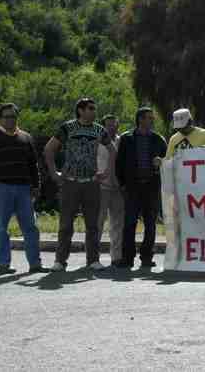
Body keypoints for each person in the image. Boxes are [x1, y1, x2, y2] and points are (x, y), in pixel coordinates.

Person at [45, 98, 114, 272]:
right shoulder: (67, 128)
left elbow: (113, 150)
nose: (94, 111)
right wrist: (54, 173)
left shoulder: (99, 129)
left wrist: (106, 172)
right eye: (90, 108)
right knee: (66, 224)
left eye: (94, 108)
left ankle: (93, 260)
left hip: (91, 183)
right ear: (81, 110)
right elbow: (49, 149)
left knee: (93, 224)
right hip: (71, 183)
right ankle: (60, 261)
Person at [0, 103, 47, 274]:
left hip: (24, 189)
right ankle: (3, 265)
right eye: (7, 116)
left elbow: (33, 165)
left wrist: (36, 186)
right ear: (0, 119)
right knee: (1, 227)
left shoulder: (26, 138)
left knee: (31, 227)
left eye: (13, 116)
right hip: (0, 188)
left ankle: (35, 264)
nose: (10, 120)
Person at [116, 107, 167, 269]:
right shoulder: (126, 139)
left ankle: (146, 257)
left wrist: (161, 162)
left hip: (151, 187)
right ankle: (127, 258)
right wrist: (123, 184)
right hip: (132, 187)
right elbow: (119, 164)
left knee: (150, 224)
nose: (152, 121)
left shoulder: (159, 140)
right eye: (149, 118)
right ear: (140, 119)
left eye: (153, 118)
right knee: (129, 223)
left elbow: (168, 162)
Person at [97, 114, 123, 268]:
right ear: (103, 126)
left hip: (118, 188)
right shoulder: (96, 142)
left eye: (115, 124)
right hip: (101, 187)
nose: (112, 127)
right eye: (109, 125)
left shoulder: (122, 141)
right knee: (97, 223)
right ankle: (93, 257)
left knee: (118, 224)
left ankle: (116, 257)